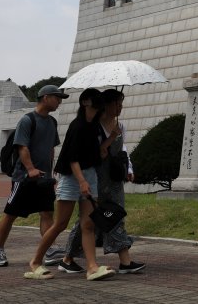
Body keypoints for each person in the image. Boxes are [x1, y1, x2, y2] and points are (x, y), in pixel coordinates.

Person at [24, 88, 115, 281]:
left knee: (88, 223)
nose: (100, 104)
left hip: (89, 175)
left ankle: (92, 267)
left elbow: (96, 153)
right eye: (96, 100)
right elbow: (73, 158)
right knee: (60, 223)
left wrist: (111, 140)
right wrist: (81, 181)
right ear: (86, 102)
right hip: (72, 176)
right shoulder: (78, 126)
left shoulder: (94, 126)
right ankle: (35, 262)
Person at [60, 89, 145, 275]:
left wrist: (128, 169)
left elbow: (123, 150)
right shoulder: (94, 126)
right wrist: (110, 139)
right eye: (117, 104)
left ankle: (125, 260)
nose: (120, 108)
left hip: (114, 178)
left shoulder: (120, 125)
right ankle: (68, 258)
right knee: (90, 220)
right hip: (97, 177)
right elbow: (94, 153)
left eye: (121, 105)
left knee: (116, 214)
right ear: (106, 104)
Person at [0, 85, 68, 268]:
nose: (59, 102)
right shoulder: (28, 120)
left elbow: (50, 147)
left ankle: (49, 250)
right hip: (24, 177)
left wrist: (51, 168)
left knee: (47, 213)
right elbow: (22, 147)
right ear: (45, 97)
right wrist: (31, 169)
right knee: (11, 214)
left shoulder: (52, 122)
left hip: (44, 178)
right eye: (57, 98)